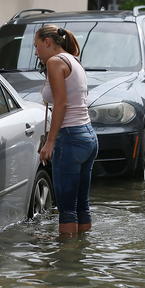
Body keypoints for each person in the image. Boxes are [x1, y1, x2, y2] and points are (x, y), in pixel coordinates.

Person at [35, 25, 99, 238]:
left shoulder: (55, 62)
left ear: (47, 42)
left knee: (66, 210)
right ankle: (82, 256)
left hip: (70, 139)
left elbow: (60, 105)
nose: (36, 53)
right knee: (82, 206)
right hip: (88, 136)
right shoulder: (74, 61)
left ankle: (66, 264)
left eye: (36, 46)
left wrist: (50, 142)